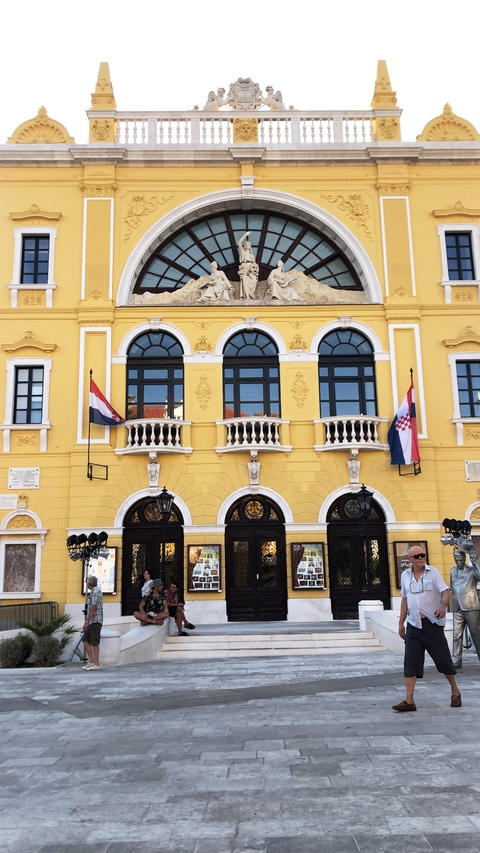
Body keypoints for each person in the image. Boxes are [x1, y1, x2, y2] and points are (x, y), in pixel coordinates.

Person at [393, 545, 461, 711]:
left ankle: (455, 691)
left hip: (431, 623)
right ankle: (409, 700)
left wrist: (443, 606)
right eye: (416, 556)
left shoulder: (434, 573)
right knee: (410, 661)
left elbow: (445, 591)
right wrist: (401, 622)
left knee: (443, 658)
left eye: (422, 555)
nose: (420, 558)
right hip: (413, 625)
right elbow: (404, 600)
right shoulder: (405, 576)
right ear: (408, 559)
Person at [450, 549, 480, 668]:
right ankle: (456, 661)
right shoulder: (452, 570)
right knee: (456, 635)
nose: (459, 562)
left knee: (475, 634)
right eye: (457, 560)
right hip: (458, 607)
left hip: (470, 606)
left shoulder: (472, 571)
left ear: (464, 559)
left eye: (461, 560)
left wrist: (474, 560)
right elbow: (452, 586)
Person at [82, 575, 103, 671]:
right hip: (92, 621)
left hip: (95, 621)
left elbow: (93, 608)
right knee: (85, 639)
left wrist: (87, 621)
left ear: (89, 584)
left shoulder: (95, 593)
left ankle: (96, 663)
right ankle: (91, 661)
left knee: (94, 642)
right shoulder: (94, 592)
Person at [237, 231, 259, 299]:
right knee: (245, 282)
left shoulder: (251, 255)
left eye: (249, 245)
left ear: (250, 246)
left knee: (254, 282)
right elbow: (239, 243)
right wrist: (245, 235)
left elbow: (255, 265)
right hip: (244, 269)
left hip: (251, 269)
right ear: (245, 246)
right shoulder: (243, 252)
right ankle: (247, 296)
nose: (247, 246)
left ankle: (251, 294)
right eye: (246, 245)